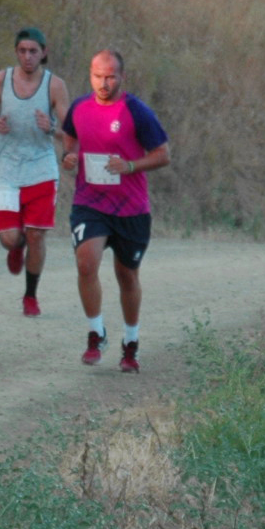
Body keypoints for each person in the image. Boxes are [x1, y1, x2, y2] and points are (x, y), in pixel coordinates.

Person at [60, 51, 170, 373]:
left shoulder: (136, 111)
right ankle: (96, 333)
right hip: (90, 202)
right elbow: (69, 135)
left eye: (110, 76)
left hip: (130, 208)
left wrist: (131, 166)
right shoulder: (79, 108)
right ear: (90, 75)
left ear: (123, 77)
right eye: (97, 76)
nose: (103, 83)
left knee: (127, 276)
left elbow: (164, 154)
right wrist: (69, 156)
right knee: (86, 263)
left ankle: (131, 342)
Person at [0, 27, 68, 318]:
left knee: (36, 235)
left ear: (43, 53)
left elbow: (71, 134)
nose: (27, 57)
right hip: (6, 168)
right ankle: (15, 247)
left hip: (40, 168)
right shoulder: (1, 79)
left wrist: (51, 128)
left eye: (33, 51)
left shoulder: (54, 86)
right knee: (11, 238)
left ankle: (30, 295)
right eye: (22, 51)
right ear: (16, 52)